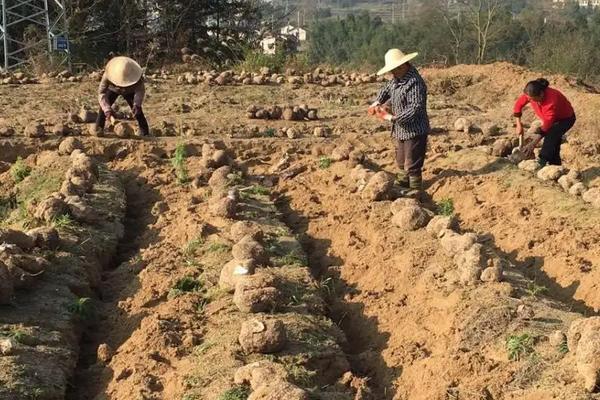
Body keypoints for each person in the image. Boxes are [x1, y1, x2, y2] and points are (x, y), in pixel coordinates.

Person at [368, 49, 430, 191]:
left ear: (402, 66)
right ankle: (403, 183)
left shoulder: (415, 83)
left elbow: (415, 108)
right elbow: (386, 89)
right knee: (401, 160)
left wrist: (391, 117)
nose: (392, 74)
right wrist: (377, 102)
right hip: (401, 129)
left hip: (415, 129)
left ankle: (415, 190)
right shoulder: (397, 79)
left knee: (412, 162)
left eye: (394, 71)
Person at [514, 78, 575, 167]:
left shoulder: (552, 101)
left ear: (541, 94)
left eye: (533, 99)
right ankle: (555, 166)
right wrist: (519, 125)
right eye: (529, 99)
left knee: (551, 134)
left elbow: (547, 125)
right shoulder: (530, 93)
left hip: (566, 119)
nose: (530, 100)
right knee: (555, 143)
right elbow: (518, 105)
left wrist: (532, 144)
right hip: (551, 120)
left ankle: (541, 161)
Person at [95, 56, 149, 136]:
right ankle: (98, 129)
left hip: (130, 90)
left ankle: (144, 132)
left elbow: (140, 90)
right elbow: (101, 93)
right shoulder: (107, 75)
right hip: (113, 89)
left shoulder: (137, 77)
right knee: (102, 110)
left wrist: (137, 104)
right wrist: (107, 110)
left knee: (137, 111)